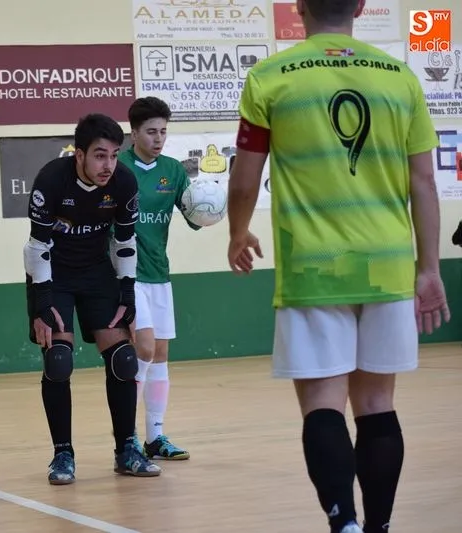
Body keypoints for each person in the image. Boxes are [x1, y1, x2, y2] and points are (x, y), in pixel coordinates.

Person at [226, 1, 451, 532]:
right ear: (361, 6)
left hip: (314, 268)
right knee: (376, 403)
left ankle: (344, 523)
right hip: (388, 267)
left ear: (299, 7)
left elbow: (245, 177)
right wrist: (429, 267)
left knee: (323, 406)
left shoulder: (270, 77)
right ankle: (378, 527)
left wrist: (238, 231)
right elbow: (424, 182)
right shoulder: (399, 77)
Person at [24, 112, 162, 485]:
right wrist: (42, 302)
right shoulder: (51, 180)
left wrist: (127, 294)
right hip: (53, 274)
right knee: (58, 361)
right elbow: (37, 247)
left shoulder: (123, 182)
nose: (108, 165)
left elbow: (125, 242)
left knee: (124, 360)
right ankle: (63, 454)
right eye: (100, 155)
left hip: (97, 271)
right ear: (80, 154)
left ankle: (127, 449)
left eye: (114, 155)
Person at [118, 96, 199, 460]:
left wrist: (209, 205)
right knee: (145, 348)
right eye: (151, 132)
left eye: (163, 132)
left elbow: (194, 215)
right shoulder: (118, 167)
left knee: (161, 355)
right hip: (126, 273)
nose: (158, 138)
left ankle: (155, 437)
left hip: (159, 273)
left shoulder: (173, 170)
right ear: (134, 133)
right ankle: (127, 437)